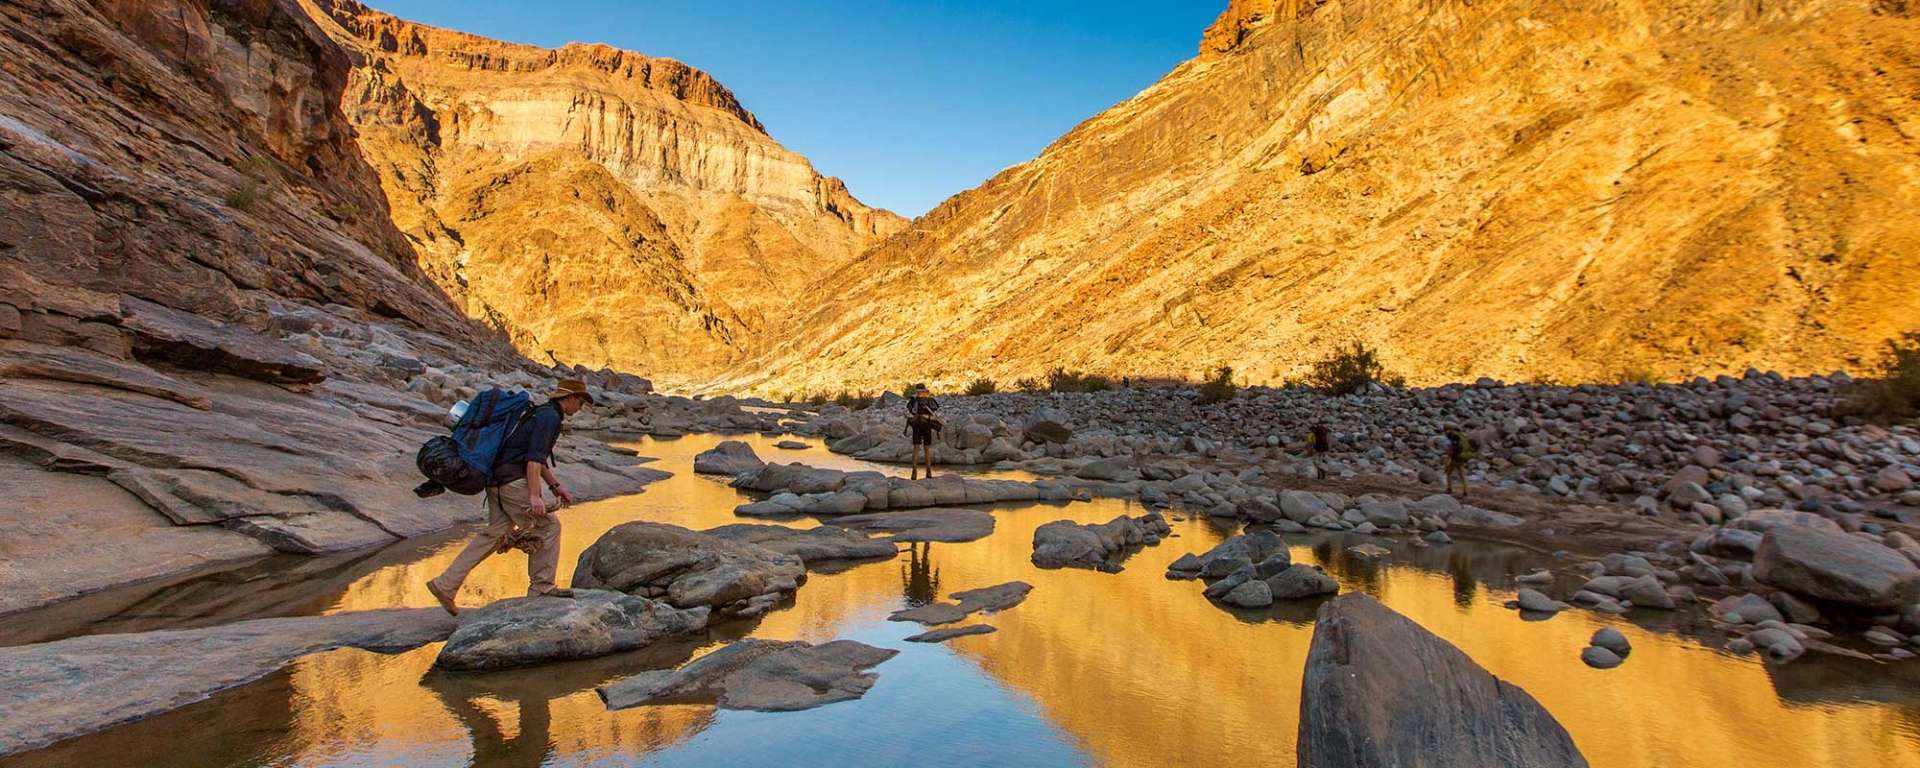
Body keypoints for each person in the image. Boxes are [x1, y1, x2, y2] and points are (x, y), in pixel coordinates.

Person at [426, 378, 595, 615]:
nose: (580, 408)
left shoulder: (540, 413)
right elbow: (533, 459)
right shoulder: (551, 418)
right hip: (512, 483)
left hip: (495, 479)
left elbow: (535, 456)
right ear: (569, 398)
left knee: (494, 532)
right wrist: (535, 496)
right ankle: (542, 588)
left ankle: (445, 584)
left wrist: (556, 486)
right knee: (548, 527)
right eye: (580, 402)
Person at [904, 384, 942, 480]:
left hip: (920, 425)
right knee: (924, 448)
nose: (920, 393)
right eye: (920, 391)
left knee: (919, 448)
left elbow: (912, 411)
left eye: (920, 391)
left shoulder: (915, 401)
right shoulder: (927, 400)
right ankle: (925, 472)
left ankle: (918, 471)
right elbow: (934, 412)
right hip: (923, 425)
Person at [1444, 425, 1477, 499]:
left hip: (1455, 458)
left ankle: (1449, 488)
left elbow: (1449, 451)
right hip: (1463, 457)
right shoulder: (1463, 437)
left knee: (1448, 472)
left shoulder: (1451, 438)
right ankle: (1466, 491)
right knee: (1462, 475)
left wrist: (1447, 461)